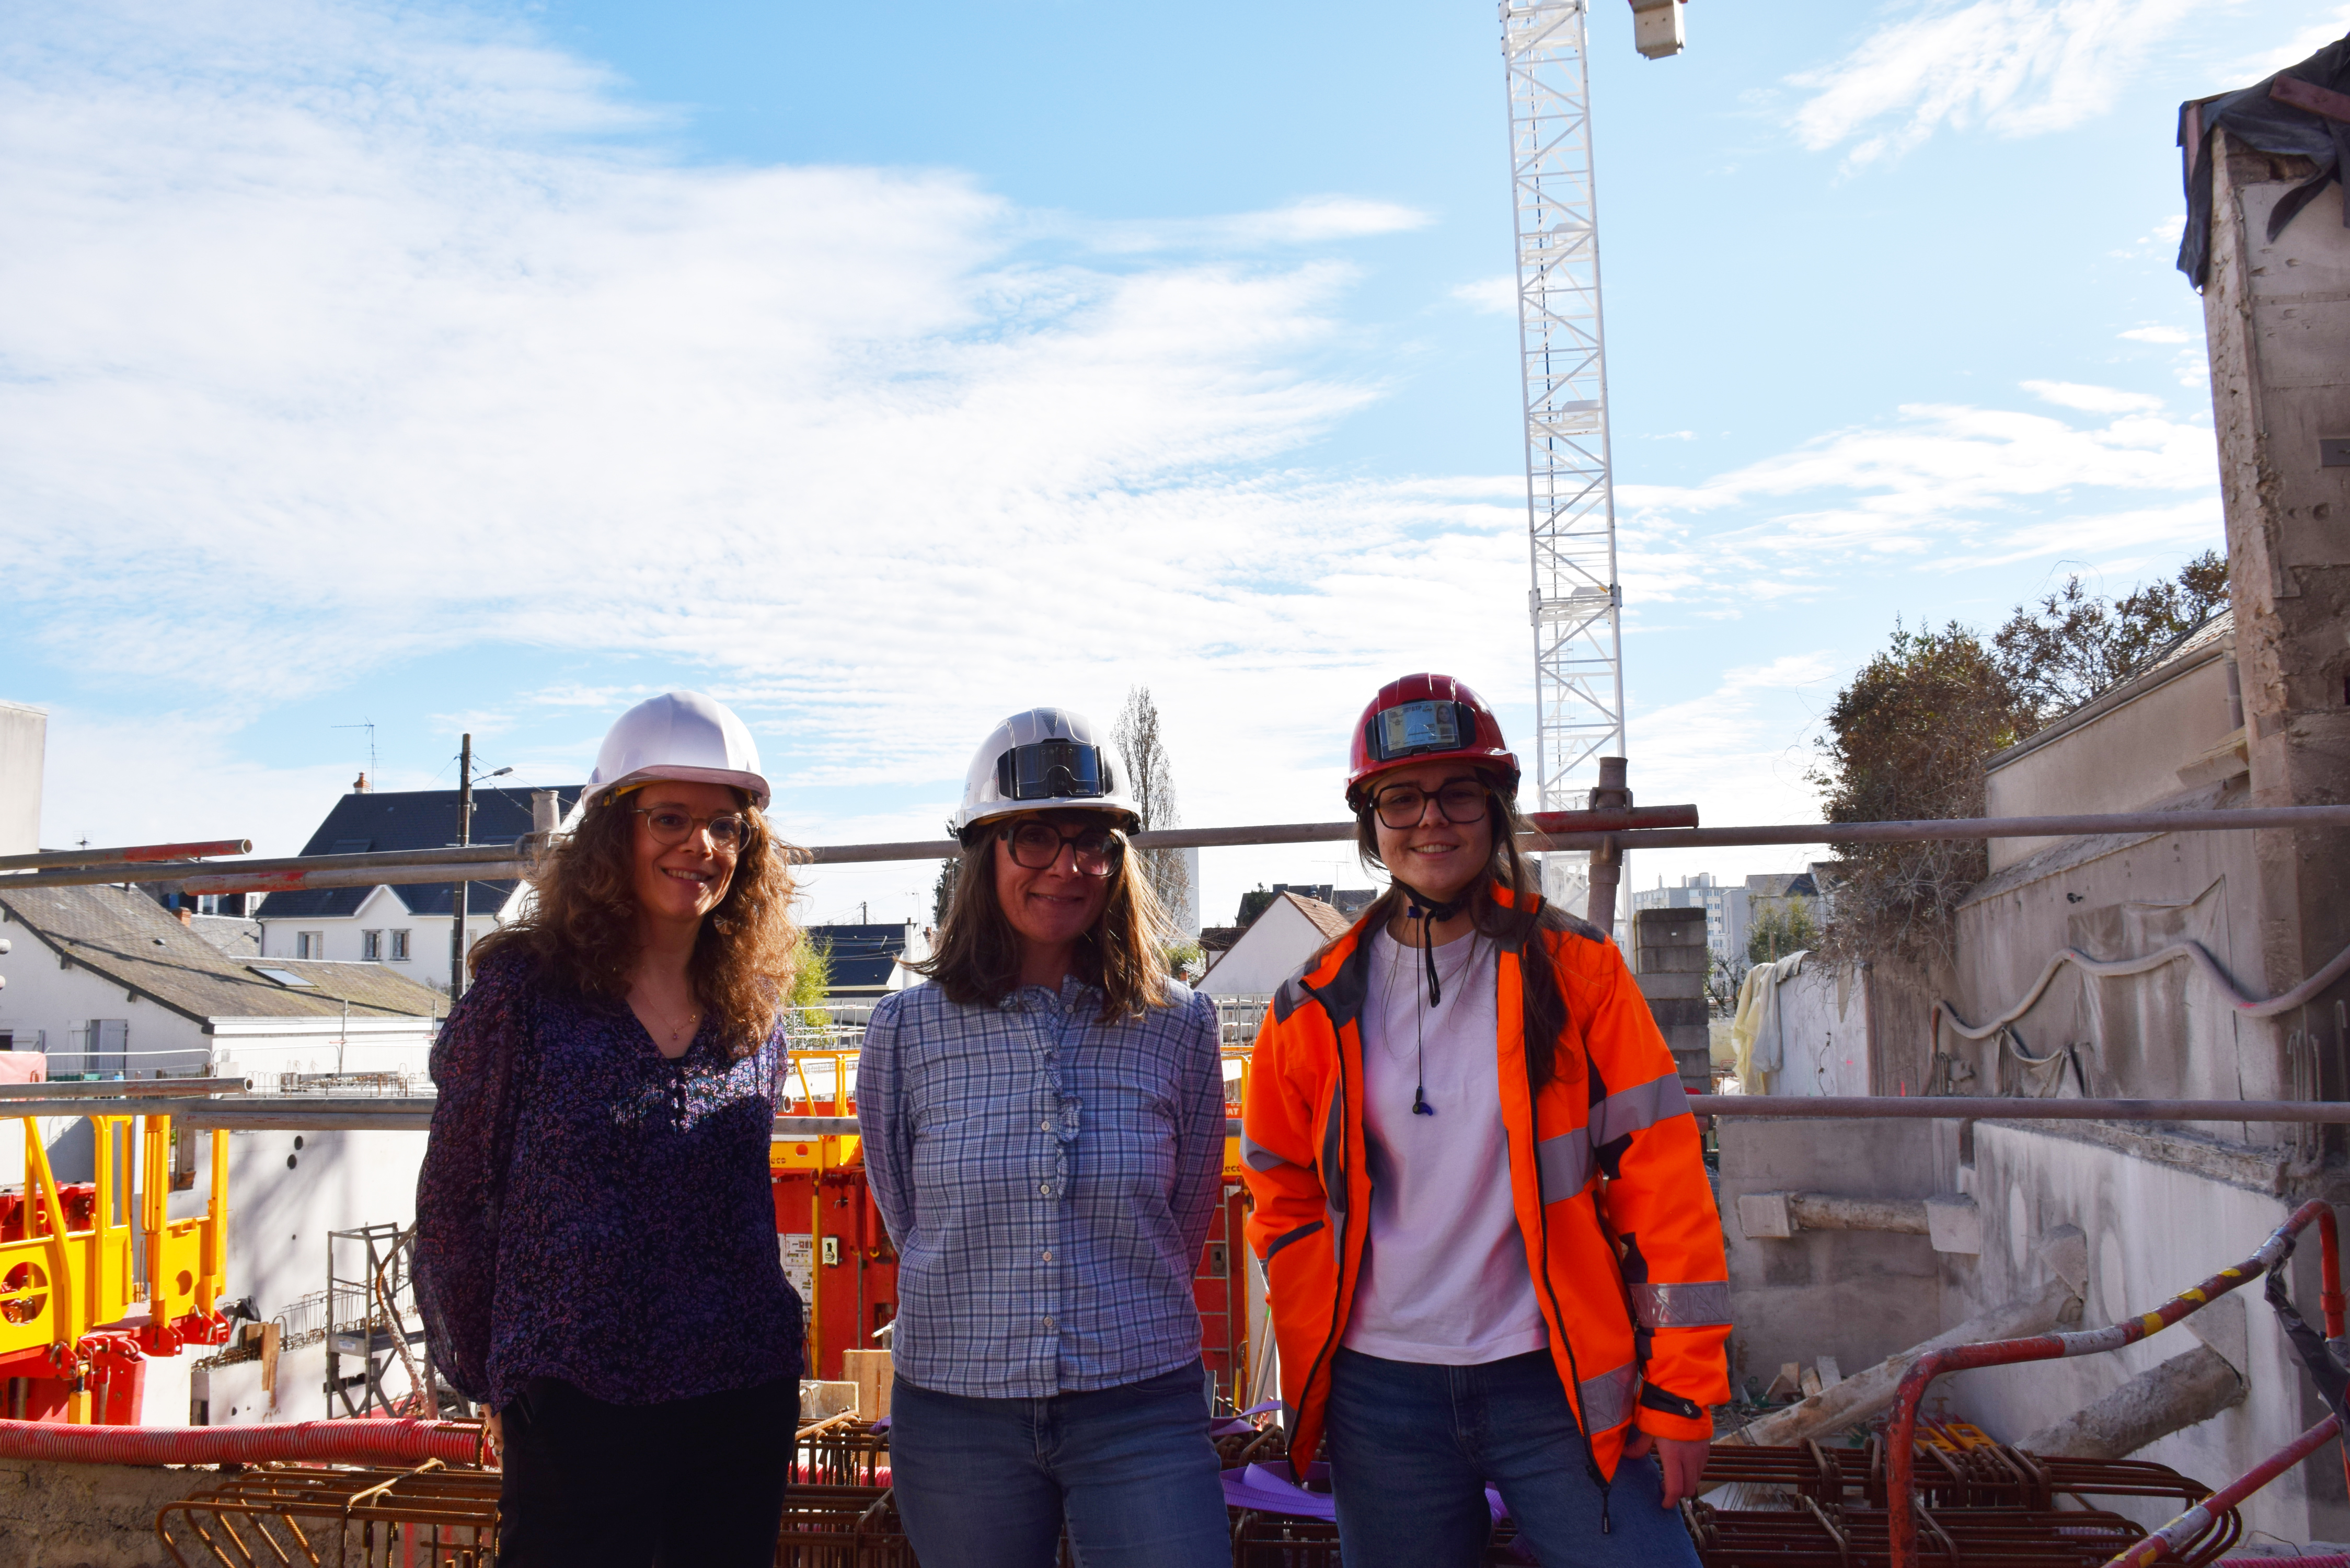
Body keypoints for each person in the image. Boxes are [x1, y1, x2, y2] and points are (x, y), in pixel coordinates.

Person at [1240, 673, 1730, 1568]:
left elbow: (1664, 1186)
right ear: (1371, 823)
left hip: (1555, 1383)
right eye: (1402, 798)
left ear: (1497, 808)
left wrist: (1682, 1394)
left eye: (1460, 791)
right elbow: (1278, 1186)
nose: (1433, 819)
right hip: (1381, 1398)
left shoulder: (1580, 973)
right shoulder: (1309, 1005)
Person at [414, 690, 808, 1568]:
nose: (699, 846)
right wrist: (499, 1379)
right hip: (574, 1405)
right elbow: (451, 1206)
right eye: (669, 816)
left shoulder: (755, 1015)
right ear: (611, 831)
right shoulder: (523, 995)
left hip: (739, 1394)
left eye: (725, 825)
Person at [857, 707, 1230, 1568]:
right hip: (956, 1414)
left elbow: (1185, 1216)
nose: (1068, 866)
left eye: (1093, 840)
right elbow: (906, 1218)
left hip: (1141, 1405)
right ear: (984, 853)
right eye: (1034, 837)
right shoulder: (905, 1032)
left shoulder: (1182, 1028)